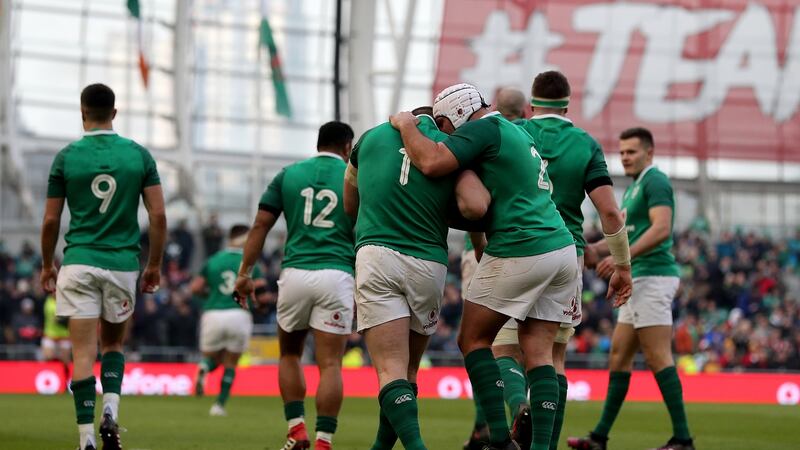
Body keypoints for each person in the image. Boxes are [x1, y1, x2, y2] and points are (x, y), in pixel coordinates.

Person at [391, 83, 628, 450]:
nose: (447, 136)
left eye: (444, 126)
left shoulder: (482, 128)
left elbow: (433, 161)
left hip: (522, 246)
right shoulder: (514, 131)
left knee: (472, 339)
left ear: (453, 115)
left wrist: (407, 124)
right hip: (562, 249)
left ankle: (500, 441)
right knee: (539, 351)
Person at [474, 71, 633, 450]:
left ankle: (518, 404)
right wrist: (622, 265)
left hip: (514, 247)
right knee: (552, 356)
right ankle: (544, 444)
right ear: (567, 105)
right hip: (567, 253)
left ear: (531, 105)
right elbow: (610, 212)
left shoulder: (515, 135)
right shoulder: (585, 144)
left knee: (501, 348)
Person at [343, 105, 490, 450]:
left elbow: (349, 202)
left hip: (378, 254)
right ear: (439, 122)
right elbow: (474, 208)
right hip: (430, 264)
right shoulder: (449, 148)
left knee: (390, 370)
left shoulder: (369, 139)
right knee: (408, 373)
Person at [40, 83, 166, 450]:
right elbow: (157, 214)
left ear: (82, 113)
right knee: (113, 344)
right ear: (114, 113)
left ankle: (85, 440)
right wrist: (154, 264)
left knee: (82, 352)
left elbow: (50, 221)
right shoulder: (138, 155)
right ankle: (110, 410)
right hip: (122, 264)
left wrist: (48, 265)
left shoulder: (65, 157)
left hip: (78, 262)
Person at [568, 128, 694, 450]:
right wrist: (583, 247)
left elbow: (662, 229)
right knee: (619, 355)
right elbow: (618, 236)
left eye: (632, 152)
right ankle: (598, 438)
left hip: (652, 276)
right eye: (622, 151)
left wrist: (621, 258)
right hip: (638, 278)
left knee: (657, 356)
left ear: (649, 153)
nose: (625, 157)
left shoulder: (655, 181)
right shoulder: (634, 189)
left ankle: (683, 439)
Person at [234, 122, 357, 450]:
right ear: (347, 147)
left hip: (296, 273)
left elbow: (261, 224)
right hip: (338, 272)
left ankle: (296, 429)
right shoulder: (355, 176)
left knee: (289, 353)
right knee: (330, 363)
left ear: (318, 143)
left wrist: (244, 273)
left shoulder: (288, 174)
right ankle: (324, 441)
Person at [190, 224, 266, 416]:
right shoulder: (249, 262)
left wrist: (209, 296)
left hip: (213, 312)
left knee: (212, 357)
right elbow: (262, 291)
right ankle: (219, 406)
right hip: (239, 313)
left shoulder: (213, 260)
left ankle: (204, 367)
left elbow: (195, 288)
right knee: (231, 362)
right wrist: (261, 302)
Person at [41, 294, 72, 390]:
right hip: (50, 335)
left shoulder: (66, 302)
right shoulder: (48, 301)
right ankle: (49, 381)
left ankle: (67, 382)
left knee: (66, 362)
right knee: (48, 357)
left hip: (64, 336)